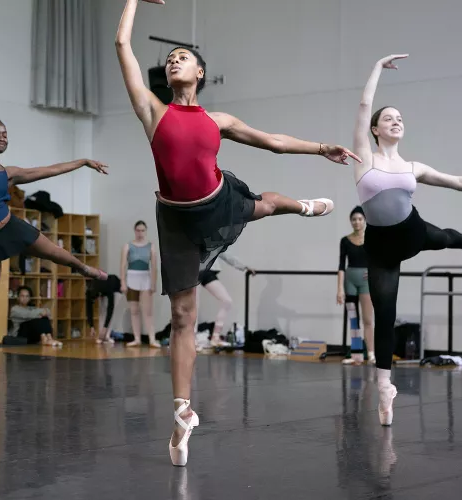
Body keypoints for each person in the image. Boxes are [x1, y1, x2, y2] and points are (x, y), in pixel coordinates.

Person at [116, 0, 360, 466]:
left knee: (265, 206)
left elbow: (273, 142)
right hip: (175, 219)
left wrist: (319, 148)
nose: (174, 60)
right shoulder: (152, 111)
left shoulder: (217, 121)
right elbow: (122, 43)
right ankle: (182, 413)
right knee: (184, 316)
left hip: (215, 201)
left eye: (183, 56)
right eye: (170, 59)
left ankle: (301, 205)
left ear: (201, 73)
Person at [351, 54, 462, 427]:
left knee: (445, 236)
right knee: (385, 315)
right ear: (375, 129)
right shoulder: (363, 158)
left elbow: (459, 182)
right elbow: (365, 103)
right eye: (389, 118)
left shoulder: (413, 168)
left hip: (411, 230)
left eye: (400, 118)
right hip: (380, 246)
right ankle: (385, 388)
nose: (396, 121)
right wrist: (377, 69)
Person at [0, 57, 109, 394]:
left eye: (5, 133)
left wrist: (81, 161)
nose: (1, 137)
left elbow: (48, 170)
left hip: (10, 226)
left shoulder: (10, 173)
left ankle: (83, 268)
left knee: (54, 252)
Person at [337, 206, 375, 365]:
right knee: (353, 319)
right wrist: (339, 289)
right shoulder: (345, 240)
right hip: (350, 281)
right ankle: (356, 354)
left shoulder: (372, 238)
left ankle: (371, 353)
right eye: (354, 219)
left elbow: (380, 259)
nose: (357, 222)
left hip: (366, 281)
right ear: (350, 221)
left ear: (365, 220)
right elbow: (340, 265)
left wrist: (374, 272)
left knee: (367, 319)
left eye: (360, 219)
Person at [196, 251, 256, 347]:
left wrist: (244, 267)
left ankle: (215, 337)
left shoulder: (214, 239)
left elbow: (226, 255)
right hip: (194, 271)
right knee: (194, 307)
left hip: (208, 272)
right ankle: (191, 339)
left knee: (227, 301)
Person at [120, 221, 160, 348]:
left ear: (146, 231)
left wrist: (153, 283)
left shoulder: (151, 246)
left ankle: (152, 339)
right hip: (131, 278)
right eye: (138, 230)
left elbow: (154, 267)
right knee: (134, 310)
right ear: (134, 230)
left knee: (148, 311)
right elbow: (123, 265)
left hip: (145, 279)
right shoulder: (127, 246)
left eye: (143, 230)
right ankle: (137, 338)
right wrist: (123, 282)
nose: (140, 233)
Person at [86, 274, 122, 344]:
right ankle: (102, 336)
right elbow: (89, 310)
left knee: (109, 311)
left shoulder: (106, 287)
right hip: (103, 290)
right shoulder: (89, 292)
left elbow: (110, 308)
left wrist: (105, 328)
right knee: (102, 311)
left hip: (116, 287)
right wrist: (91, 327)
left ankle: (107, 336)